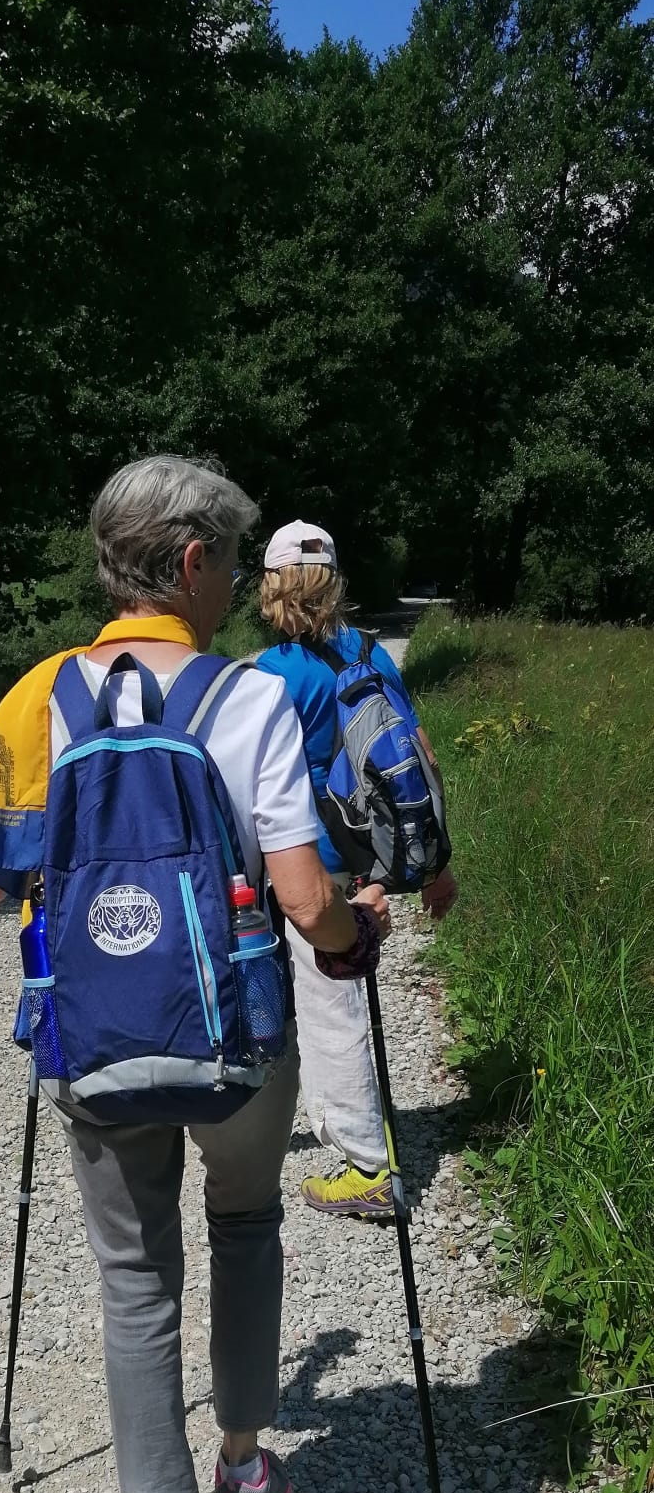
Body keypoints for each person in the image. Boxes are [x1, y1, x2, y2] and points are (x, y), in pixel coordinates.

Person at [0, 457, 390, 1493]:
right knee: (242, 1225)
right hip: (234, 1036)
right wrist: (356, 934)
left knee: (134, 1279)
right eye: (230, 561)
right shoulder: (243, 699)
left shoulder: (33, 697)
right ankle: (244, 1471)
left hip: (94, 1041)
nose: (235, 583)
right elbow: (306, 900)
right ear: (191, 561)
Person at [256, 521, 457, 1220]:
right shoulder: (369, 652)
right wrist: (435, 865)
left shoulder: (271, 673)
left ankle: (367, 1165)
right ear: (335, 582)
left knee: (323, 1006)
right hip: (359, 856)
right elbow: (420, 754)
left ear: (272, 585)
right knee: (324, 997)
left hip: (300, 860)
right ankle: (320, 1125)